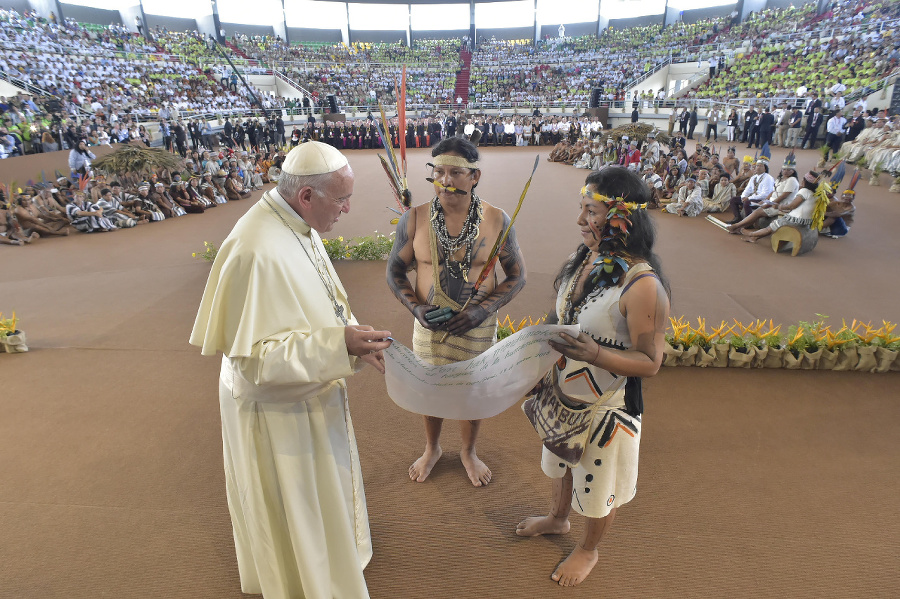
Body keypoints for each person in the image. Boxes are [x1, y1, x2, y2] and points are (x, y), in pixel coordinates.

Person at [189, 141, 392, 599]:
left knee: (322, 495)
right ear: (307, 197)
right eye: (342, 200)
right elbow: (255, 358)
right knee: (298, 504)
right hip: (278, 412)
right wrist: (339, 344)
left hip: (308, 388)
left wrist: (352, 338)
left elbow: (318, 296)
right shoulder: (255, 248)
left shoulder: (295, 222)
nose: (346, 209)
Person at [516, 167, 669, 587]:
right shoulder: (582, 258)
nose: (580, 220)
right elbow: (559, 317)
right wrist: (534, 361)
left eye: (591, 211)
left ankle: (589, 549)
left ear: (622, 217)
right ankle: (558, 518)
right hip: (563, 393)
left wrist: (597, 353)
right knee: (562, 463)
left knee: (599, 486)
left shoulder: (643, 287)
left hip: (608, 407)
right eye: (581, 209)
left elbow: (651, 362)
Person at [386, 137, 526, 487]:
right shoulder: (415, 218)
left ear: (474, 176)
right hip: (429, 326)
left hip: (476, 327)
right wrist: (416, 308)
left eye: (455, 173)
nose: (445, 181)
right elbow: (395, 272)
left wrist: (481, 312)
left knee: (471, 390)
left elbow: (517, 274)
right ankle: (432, 447)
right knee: (429, 387)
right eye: (438, 173)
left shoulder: (496, 220)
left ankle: (468, 450)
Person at [739, 170, 820, 244]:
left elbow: (792, 206)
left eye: (803, 179)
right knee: (773, 225)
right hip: (806, 222)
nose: (802, 181)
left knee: (770, 228)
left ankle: (750, 234)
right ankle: (754, 238)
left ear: (806, 181)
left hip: (795, 220)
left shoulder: (804, 191)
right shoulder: (816, 193)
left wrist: (780, 206)